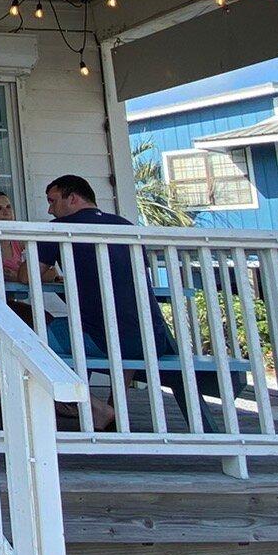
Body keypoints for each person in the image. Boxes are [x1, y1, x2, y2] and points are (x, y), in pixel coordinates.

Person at [38, 174, 176, 430]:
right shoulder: (124, 226)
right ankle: (117, 409)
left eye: (53, 200)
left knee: (32, 339)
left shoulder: (61, 228)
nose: (50, 209)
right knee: (120, 328)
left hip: (102, 337)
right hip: (152, 338)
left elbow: (28, 274)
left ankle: (95, 407)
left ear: (73, 198)